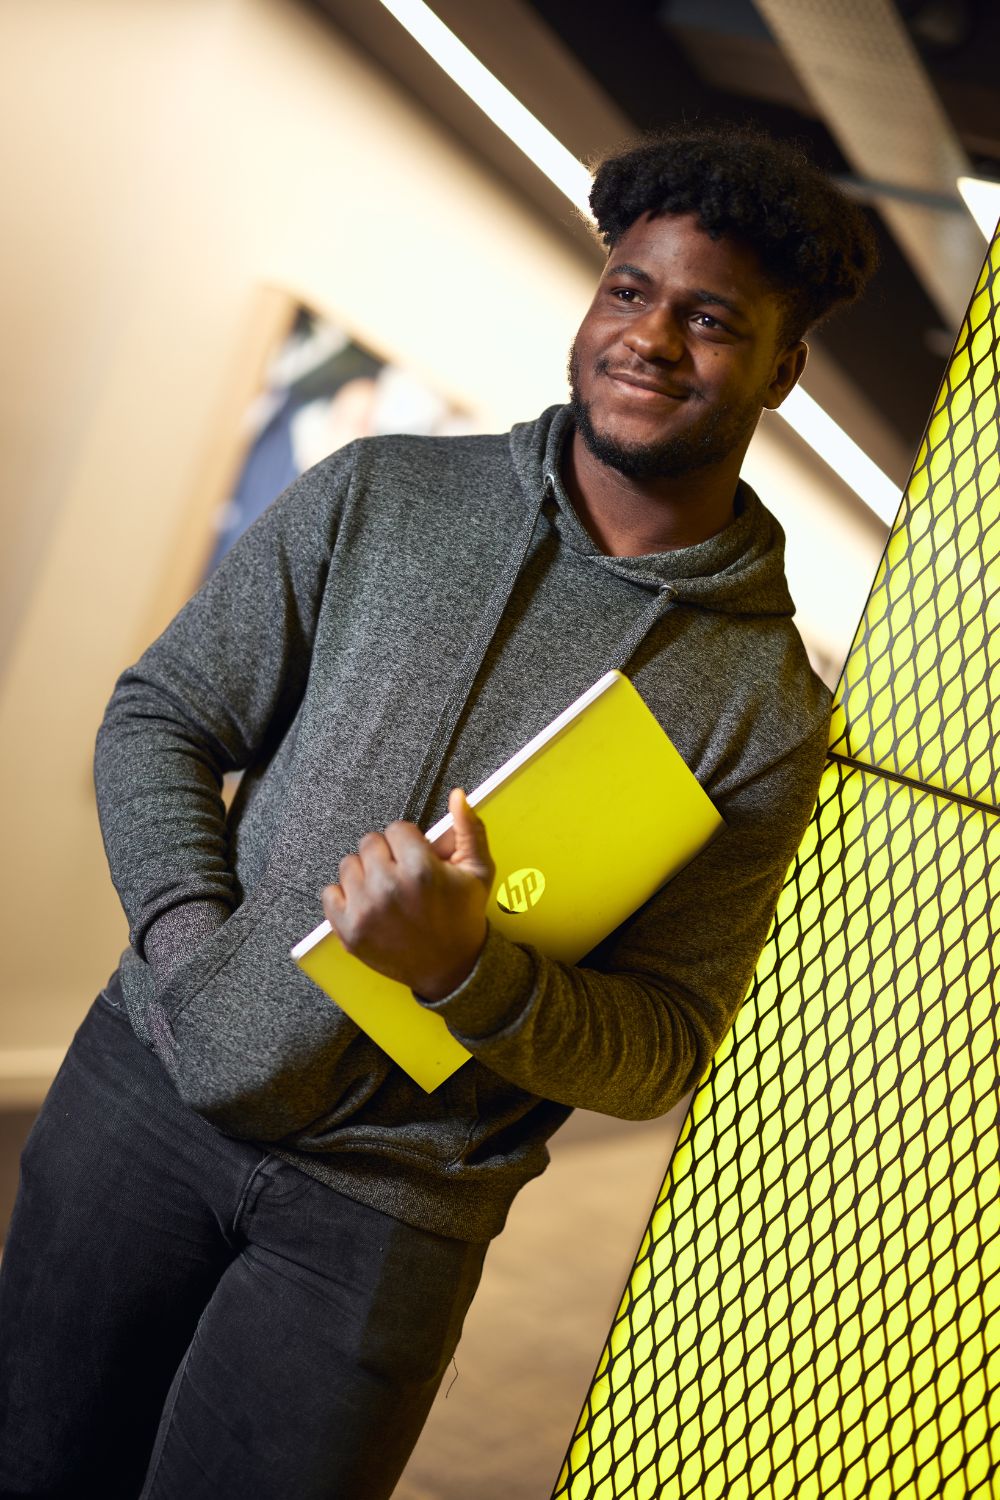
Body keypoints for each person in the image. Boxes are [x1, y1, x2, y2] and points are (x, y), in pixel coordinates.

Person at [0, 125, 877, 1498]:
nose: (650, 340)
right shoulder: (385, 493)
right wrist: (189, 945)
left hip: (388, 1215)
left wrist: (470, 976)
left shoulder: (765, 710)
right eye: (629, 292)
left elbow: (661, 1048)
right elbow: (163, 717)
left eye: (711, 319)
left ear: (782, 366)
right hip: (146, 1097)